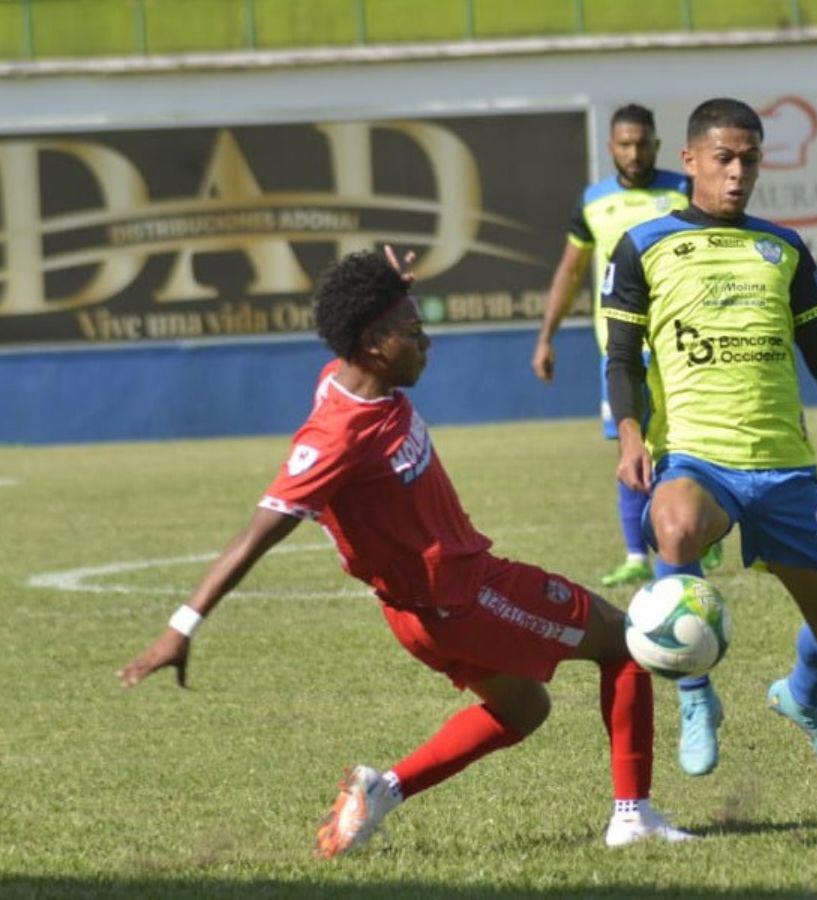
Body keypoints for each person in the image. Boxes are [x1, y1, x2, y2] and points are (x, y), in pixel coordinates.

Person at [118, 247, 691, 854]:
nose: (426, 343)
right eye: (412, 332)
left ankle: (380, 792)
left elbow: (361, 317)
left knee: (523, 710)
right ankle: (632, 818)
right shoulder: (337, 436)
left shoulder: (347, 377)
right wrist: (182, 627)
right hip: (466, 598)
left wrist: (390, 287)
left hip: (423, 614)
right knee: (624, 643)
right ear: (372, 343)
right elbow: (256, 534)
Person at [602, 98, 817, 778]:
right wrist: (630, 433)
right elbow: (621, 357)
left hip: (782, 466)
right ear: (690, 160)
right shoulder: (644, 246)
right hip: (698, 458)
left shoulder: (783, 248)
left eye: (749, 160)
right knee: (676, 526)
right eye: (724, 159)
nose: (737, 173)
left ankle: (803, 697)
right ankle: (696, 696)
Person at [530, 103, 721, 588]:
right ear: (611, 147)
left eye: (641, 144)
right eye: (624, 144)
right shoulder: (594, 201)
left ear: (656, 145)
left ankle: (705, 529)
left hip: (680, 344)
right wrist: (546, 336)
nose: (634, 153)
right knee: (629, 444)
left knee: (692, 439)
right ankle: (636, 554)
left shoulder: (683, 190)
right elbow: (571, 269)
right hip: (620, 348)